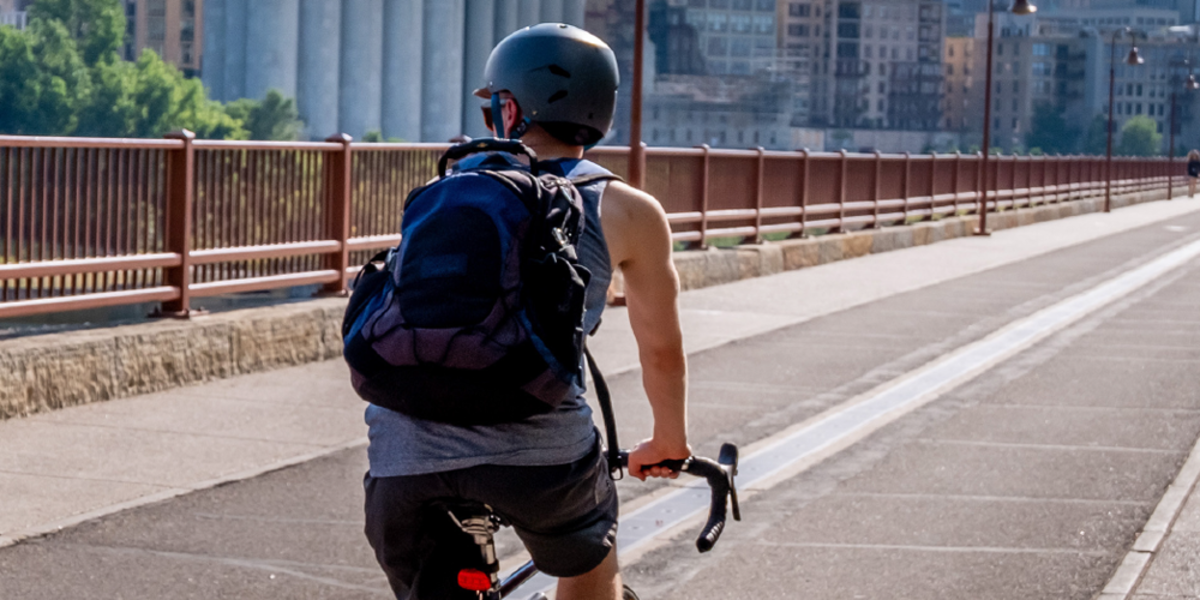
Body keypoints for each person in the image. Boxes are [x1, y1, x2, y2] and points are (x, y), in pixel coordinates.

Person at [362, 24, 690, 600]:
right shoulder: (630, 211)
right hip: (543, 458)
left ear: (509, 111)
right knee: (591, 566)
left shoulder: (449, 190)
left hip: (403, 458)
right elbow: (661, 351)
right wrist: (668, 441)